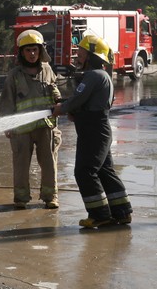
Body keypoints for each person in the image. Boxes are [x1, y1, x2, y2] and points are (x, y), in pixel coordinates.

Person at [51, 34, 133, 229]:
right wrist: (75, 113)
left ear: (91, 55)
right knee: (104, 170)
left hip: (93, 130)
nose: (77, 54)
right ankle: (122, 212)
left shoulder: (94, 76)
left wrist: (61, 109)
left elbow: (78, 99)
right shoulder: (101, 75)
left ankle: (99, 214)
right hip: (97, 128)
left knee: (84, 172)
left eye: (81, 51)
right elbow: (87, 104)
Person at [0, 30, 62, 209]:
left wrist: (58, 100)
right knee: (20, 165)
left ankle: (51, 197)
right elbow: (6, 102)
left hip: (45, 127)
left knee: (49, 163)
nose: (32, 54)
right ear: (21, 53)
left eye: (35, 50)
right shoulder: (14, 75)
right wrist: (7, 125)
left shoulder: (47, 70)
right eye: (28, 50)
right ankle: (21, 198)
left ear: (40, 51)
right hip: (22, 129)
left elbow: (54, 88)